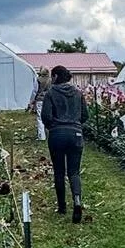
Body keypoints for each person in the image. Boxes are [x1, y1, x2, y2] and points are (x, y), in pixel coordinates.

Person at [40, 64, 86, 222]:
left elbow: (45, 116)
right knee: (74, 172)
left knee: (59, 171)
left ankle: (62, 206)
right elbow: (85, 115)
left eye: (52, 77)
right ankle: (77, 202)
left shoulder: (51, 93)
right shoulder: (78, 93)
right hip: (76, 134)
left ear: (55, 77)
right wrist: (75, 124)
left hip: (57, 135)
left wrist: (53, 126)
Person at [30, 67, 50, 141]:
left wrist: (31, 101)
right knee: (49, 116)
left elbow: (35, 91)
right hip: (49, 100)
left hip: (40, 100)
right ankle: (50, 134)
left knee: (40, 118)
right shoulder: (50, 80)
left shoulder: (38, 80)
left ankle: (41, 136)